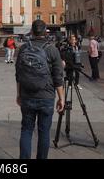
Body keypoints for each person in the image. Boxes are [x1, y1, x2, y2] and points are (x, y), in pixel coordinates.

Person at [15, 20, 65, 159]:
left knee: (26, 130)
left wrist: (19, 94)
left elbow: (18, 74)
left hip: (27, 95)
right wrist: (61, 98)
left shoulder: (24, 48)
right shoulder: (52, 49)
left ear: (31, 31)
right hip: (46, 96)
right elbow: (58, 77)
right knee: (44, 133)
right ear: (45, 31)